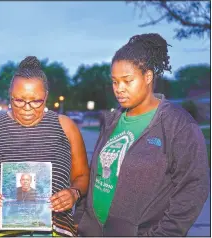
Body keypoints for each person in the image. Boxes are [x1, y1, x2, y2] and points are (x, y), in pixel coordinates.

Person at [75, 33, 210, 236]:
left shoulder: (177, 124)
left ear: (148, 77)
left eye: (127, 81)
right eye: (114, 81)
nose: (119, 89)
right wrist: (81, 221)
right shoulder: (112, 121)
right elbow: (97, 176)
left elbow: (193, 188)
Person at [0, 56, 90, 237]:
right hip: (4, 232)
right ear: (10, 96)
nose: (27, 107)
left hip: (56, 232)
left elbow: (82, 175)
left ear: (46, 97)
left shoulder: (65, 127)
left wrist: (74, 193)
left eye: (36, 101)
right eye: (19, 100)